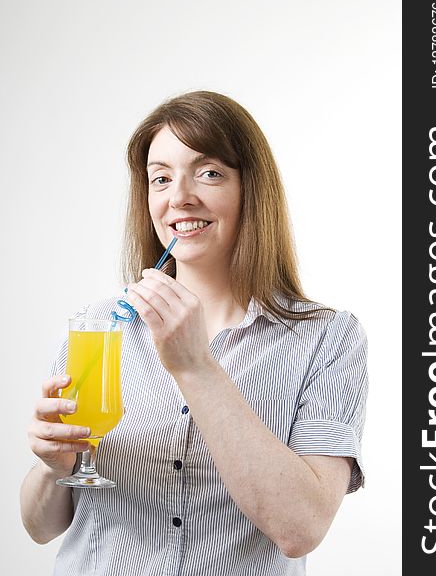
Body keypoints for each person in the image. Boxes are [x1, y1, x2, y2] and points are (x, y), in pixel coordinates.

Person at [20, 90, 368, 575]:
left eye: (209, 173)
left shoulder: (328, 339)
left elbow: (301, 528)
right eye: (160, 178)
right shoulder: (98, 327)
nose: (179, 196)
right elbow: (38, 528)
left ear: (252, 188)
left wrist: (195, 366)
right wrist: (54, 469)